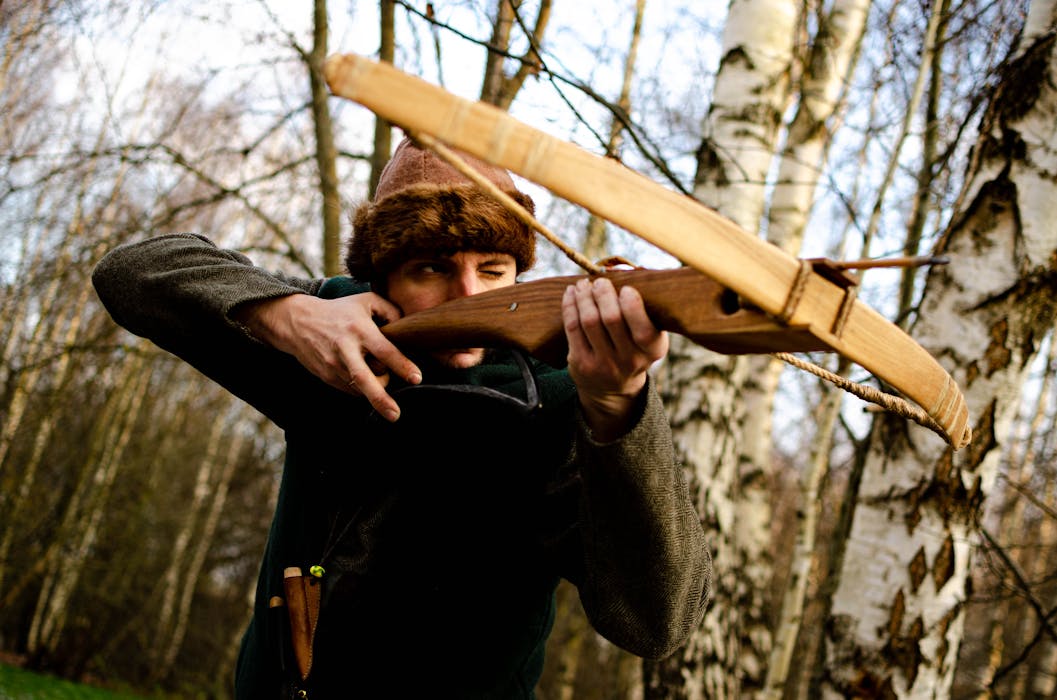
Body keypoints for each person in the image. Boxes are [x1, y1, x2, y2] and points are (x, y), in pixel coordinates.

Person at [93, 136, 710, 699]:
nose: (470, 296)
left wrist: (617, 404)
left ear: (520, 271)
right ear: (381, 280)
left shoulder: (562, 396)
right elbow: (129, 272)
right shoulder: (333, 337)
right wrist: (290, 315)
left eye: (492, 269)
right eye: (433, 269)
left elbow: (660, 619)